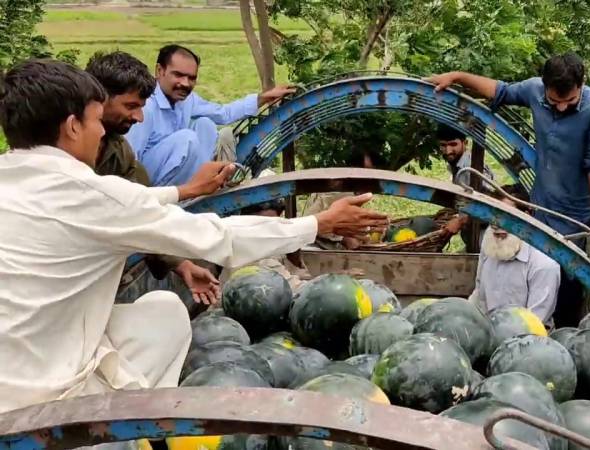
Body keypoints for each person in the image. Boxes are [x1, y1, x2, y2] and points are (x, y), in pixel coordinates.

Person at [0, 58, 388, 413]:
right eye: (96, 121)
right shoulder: (93, 195)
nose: (102, 132)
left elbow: (123, 206)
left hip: (15, 371)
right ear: (71, 127)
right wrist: (318, 225)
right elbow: (221, 237)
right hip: (36, 400)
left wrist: (184, 191)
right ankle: (117, 429)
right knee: (166, 317)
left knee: (160, 311)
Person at [427, 53, 590, 327]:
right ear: (544, 87)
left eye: (570, 101)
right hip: (540, 209)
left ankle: (560, 337)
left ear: (583, 83)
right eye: (555, 101)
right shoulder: (534, 91)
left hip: (574, 219)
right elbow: (501, 91)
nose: (563, 108)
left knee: (565, 289)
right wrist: (458, 76)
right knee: (528, 276)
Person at [86, 50, 227, 305]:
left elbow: (141, 211)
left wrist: (180, 264)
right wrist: (187, 190)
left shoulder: (118, 150)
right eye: (131, 106)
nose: (139, 117)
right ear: (98, 101)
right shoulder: (66, 153)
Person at [125, 44, 296, 186]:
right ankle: (188, 192)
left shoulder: (188, 100)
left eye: (191, 78)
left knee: (205, 125)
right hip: (148, 184)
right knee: (188, 138)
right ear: (160, 71)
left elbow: (223, 113)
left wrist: (263, 98)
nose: (185, 83)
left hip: (177, 173)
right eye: (178, 75)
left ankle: (200, 188)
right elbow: (129, 161)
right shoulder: (145, 106)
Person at [469, 186, 561, 325]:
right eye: (493, 216)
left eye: (506, 216)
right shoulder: (490, 245)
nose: (497, 225)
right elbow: (479, 295)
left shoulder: (544, 264)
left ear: (526, 216)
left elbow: (533, 323)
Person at [436, 124, 495, 251]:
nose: (448, 151)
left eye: (453, 144)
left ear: (465, 143)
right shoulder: (456, 165)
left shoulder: (471, 169)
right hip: (472, 237)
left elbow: (491, 207)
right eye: (443, 145)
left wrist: (461, 221)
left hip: (486, 240)